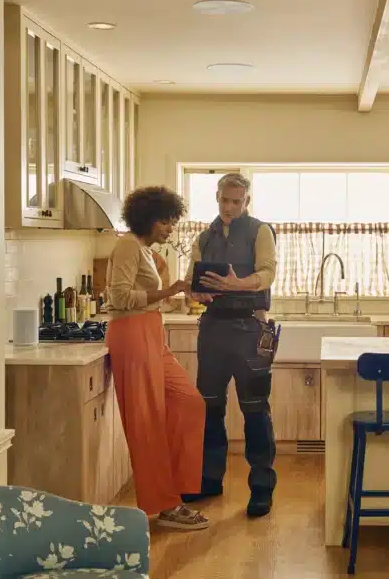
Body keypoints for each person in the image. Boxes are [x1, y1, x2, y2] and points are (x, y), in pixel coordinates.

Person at [105, 185, 209, 530]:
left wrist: (178, 292)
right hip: (132, 335)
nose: (170, 228)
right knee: (146, 423)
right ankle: (166, 505)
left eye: (172, 221)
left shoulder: (145, 252)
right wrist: (169, 289)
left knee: (189, 402)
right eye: (165, 221)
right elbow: (119, 298)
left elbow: (145, 294)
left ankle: (175, 489)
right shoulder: (127, 246)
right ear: (147, 218)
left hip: (151, 333)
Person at [183, 173, 279, 517]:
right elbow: (192, 280)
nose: (229, 207)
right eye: (225, 200)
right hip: (212, 329)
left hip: (250, 329)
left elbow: (268, 272)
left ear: (246, 202)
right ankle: (209, 479)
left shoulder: (260, 231)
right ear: (217, 197)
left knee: (255, 410)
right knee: (209, 408)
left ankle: (262, 489)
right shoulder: (203, 237)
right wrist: (196, 292)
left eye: (236, 201)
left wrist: (240, 284)